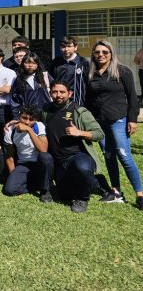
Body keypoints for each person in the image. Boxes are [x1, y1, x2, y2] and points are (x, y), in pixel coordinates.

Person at [86, 40, 142, 208]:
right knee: (109, 156)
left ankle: (140, 195)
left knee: (124, 155)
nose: (101, 55)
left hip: (118, 119)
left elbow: (133, 97)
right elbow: (89, 100)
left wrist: (132, 119)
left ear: (111, 53)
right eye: (97, 52)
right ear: (93, 55)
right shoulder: (91, 74)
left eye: (105, 52)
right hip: (99, 121)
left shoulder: (122, 71)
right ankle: (116, 191)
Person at [39, 81, 104, 213]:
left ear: (70, 93)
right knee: (64, 196)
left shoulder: (79, 111)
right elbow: (33, 120)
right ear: (50, 93)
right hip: (57, 160)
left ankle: (82, 198)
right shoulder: (46, 109)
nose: (58, 95)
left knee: (83, 167)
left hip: (77, 156)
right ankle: (94, 183)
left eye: (62, 92)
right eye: (55, 92)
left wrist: (80, 132)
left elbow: (99, 133)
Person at [2, 104, 53, 202]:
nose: (27, 122)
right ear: (19, 115)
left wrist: (29, 130)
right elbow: (9, 157)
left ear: (36, 119)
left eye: (31, 119)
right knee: (9, 190)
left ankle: (45, 191)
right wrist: (14, 176)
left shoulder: (39, 126)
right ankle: (37, 185)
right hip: (23, 164)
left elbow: (43, 150)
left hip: (40, 163)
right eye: (24, 118)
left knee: (46, 157)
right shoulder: (10, 131)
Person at [48, 36, 89, 106]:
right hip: (60, 103)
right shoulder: (56, 62)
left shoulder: (83, 62)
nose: (66, 49)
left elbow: (88, 84)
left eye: (69, 46)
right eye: (63, 47)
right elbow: (51, 82)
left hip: (78, 103)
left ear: (75, 47)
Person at [10, 52, 52, 117]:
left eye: (33, 63)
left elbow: (54, 91)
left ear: (37, 64)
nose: (30, 65)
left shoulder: (45, 76)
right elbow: (15, 100)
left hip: (46, 113)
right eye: (27, 63)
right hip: (28, 116)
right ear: (23, 64)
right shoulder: (19, 80)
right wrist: (16, 117)